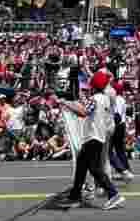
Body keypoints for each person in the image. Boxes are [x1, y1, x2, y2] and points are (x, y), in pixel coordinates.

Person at [54, 70, 125, 210]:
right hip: (97, 136)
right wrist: (69, 102)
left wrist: (65, 103)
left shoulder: (96, 99)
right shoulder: (104, 98)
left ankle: (114, 194)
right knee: (82, 166)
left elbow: (82, 112)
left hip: (92, 137)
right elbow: (85, 109)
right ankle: (75, 196)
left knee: (94, 168)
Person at [108, 80, 135, 183]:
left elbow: (117, 116)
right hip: (121, 126)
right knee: (120, 150)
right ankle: (126, 170)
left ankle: (123, 170)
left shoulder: (118, 99)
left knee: (108, 151)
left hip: (117, 126)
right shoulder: (122, 99)